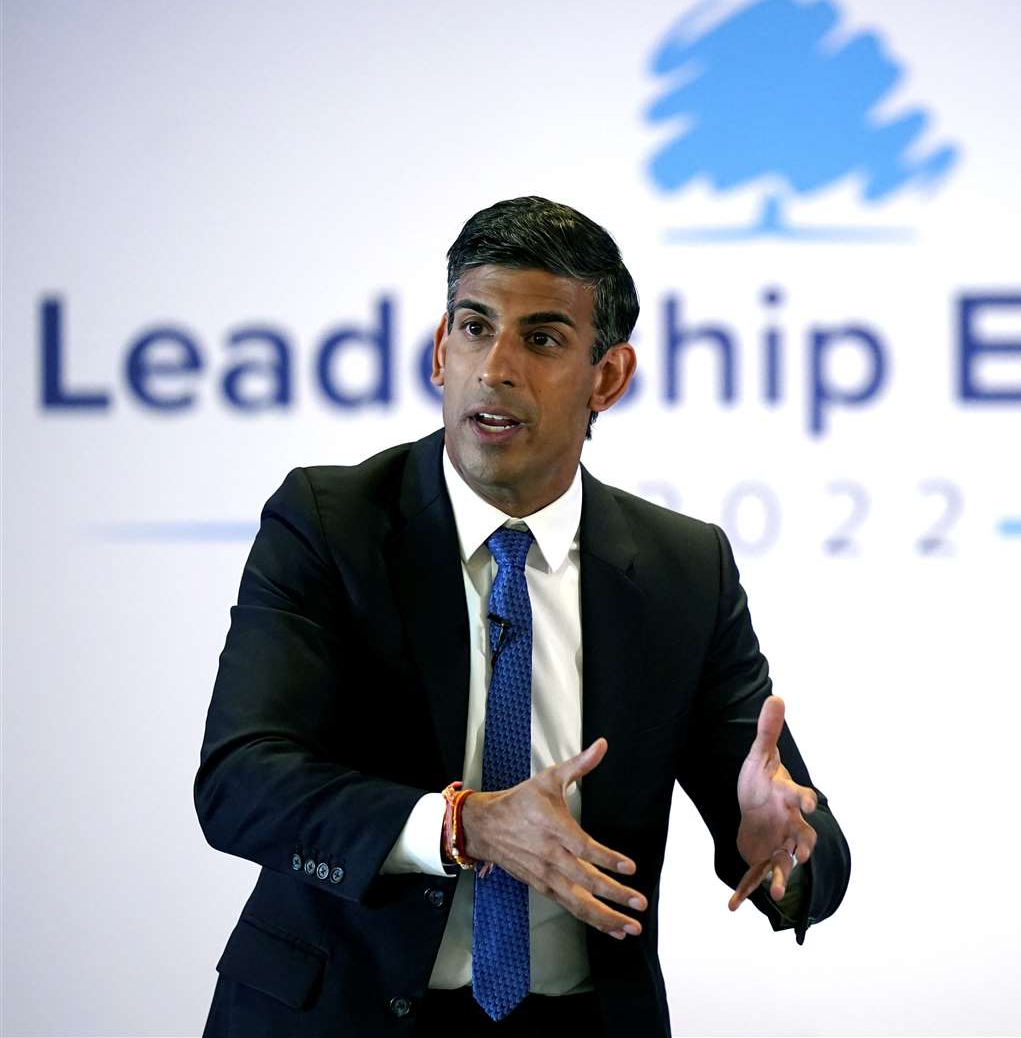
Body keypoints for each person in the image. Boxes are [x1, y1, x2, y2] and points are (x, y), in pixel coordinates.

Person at [195, 196, 851, 1036]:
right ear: (440, 350)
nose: (495, 366)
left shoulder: (685, 571)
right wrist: (463, 825)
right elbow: (242, 780)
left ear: (607, 378)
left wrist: (785, 846)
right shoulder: (330, 524)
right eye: (474, 327)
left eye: (541, 339)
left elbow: (790, 823)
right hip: (340, 1013)